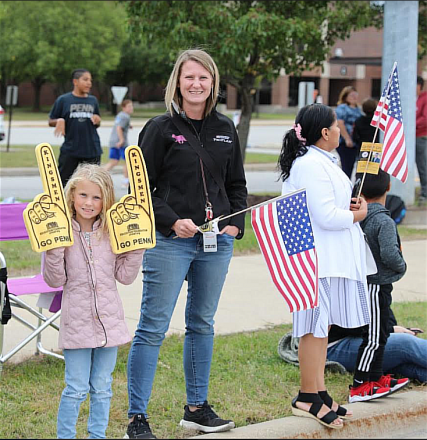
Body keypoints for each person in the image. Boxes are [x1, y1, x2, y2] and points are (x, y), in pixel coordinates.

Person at [125, 49, 247, 439]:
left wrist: (235, 225)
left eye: (204, 78)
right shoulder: (159, 129)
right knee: (152, 327)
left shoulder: (226, 128)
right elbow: (139, 190)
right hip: (169, 242)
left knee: (202, 324)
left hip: (215, 244)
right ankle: (137, 419)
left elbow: (237, 186)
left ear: (214, 84)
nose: (196, 84)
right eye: (189, 77)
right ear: (177, 82)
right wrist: (171, 221)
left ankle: (196, 409)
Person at [278, 103, 372, 429]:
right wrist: (358, 216)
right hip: (313, 259)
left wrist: (353, 205)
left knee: (322, 327)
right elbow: (325, 216)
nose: (341, 129)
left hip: (328, 258)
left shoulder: (323, 160)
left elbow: (330, 205)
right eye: (337, 125)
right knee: (312, 327)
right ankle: (306, 395)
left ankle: (319, 391)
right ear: (325, 132)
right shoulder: (310, 165)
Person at [42, 164, 144, 439]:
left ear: (106, 199)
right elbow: (54, 280)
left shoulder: (112, 232)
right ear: (72, 195)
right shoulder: (60, 231)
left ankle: (97, 436)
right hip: (77, 323)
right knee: (75, 387)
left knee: (102, 386)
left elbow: (124, 276)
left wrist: (136, 249)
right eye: (83, 195)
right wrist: (53, 250)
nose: (89, 203)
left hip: (109, 324)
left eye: (96, 197)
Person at [347, 169, 408, 403]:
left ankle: (376, 376)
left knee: (381, 333)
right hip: (375, 285)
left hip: (369, 283)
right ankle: (360, 384)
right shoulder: (383, 219)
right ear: (388, 188)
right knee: (373, 337)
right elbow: (390, 253)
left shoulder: (357, 216)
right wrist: (401, 267)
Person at [327, 308, 427, 384]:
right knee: (405, 343)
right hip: (335, 345)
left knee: (408, 365)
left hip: (362, 336)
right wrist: (390, 330)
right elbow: (350, 326)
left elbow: (386, 314)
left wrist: (393, 329)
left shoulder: (376, 283)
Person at [48, 69, 103, 187]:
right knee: (62, 183)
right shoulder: (63, 100)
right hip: (71, 148)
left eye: (90, 80)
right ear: (75, 81)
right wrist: (59, 120)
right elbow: (50, 120)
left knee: (92, 184)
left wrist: (98, 119)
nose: (89, 83)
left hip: (91, 149)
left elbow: (97, 122)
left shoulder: (93, 100)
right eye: (85, 79)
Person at [104, 99, 134, 188]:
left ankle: (98, 176)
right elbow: (119, 128)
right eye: (129, 106)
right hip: (120, 143)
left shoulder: (120, 115)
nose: (131, 108)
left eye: (131, 106)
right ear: (123, 107)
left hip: (113, 141)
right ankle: (125, 182)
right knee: (127, 162)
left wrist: (129, 126)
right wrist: (121, 140)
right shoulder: (126, 117)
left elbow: (119, 125)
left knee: (114, 161)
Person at [335, 86, 362, 180]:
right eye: (351, 95)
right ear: (345, 96)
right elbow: (340, 123)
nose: (354, 97)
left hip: (357, 143)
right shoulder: (342, 108)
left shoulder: (358, 109)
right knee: (347, 169)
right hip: (345, 143)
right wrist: (347, 138)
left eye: (355, 95)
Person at [416, 75, 427, 205]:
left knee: (422, 165)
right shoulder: (412, 98)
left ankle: (425, 192)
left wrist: (411, 125)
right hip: (410, 136)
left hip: (420, 136)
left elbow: (425, 118)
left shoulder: (424, 98)